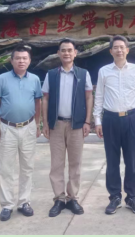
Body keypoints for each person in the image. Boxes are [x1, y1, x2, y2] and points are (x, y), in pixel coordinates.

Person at [93, 35, 135, 215]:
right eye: (115, 47)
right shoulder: (103, 71)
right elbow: (99, 97)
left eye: (122, 47)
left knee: (131, 161)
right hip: (110, 119)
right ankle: (115, 197)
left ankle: (132, 197)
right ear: (111, 51)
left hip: (131, 118)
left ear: (127, 50)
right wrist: (97, 121)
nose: (119, 50)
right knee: (112, 160)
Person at [0, 44, 43, 222]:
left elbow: (37, 103)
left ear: (29, 61)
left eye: (25, 58)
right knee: (6, 168)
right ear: (12, 60)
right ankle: (7, 205)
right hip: (7, 128)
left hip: (28, 127)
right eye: (18, 58)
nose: (21, 61)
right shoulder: (2, 79)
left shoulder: (35, 79)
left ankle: (24, 202)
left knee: (27, 167)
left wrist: (37, 124)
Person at [42, 39, 94, 217]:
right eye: (63, 50)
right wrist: (45, 123)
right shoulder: (51, 75)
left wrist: (87, 121)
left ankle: (73, 198)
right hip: (56, 125)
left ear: (75, 53)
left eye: (70, 50)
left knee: (75, 163)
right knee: (56, 164)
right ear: (58, 53)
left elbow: (88, 98)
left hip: (76, 125)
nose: (66, 53)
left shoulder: (83, 74)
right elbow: (46, 99)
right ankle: (59, 199)